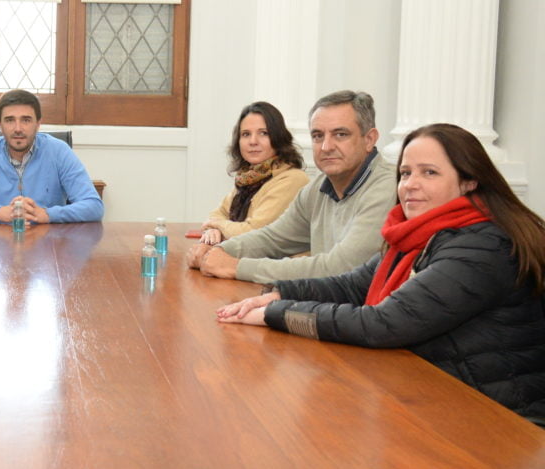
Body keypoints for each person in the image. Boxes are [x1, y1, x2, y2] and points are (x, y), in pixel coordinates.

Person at [216, 123, 545, 420]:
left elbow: (384, 323)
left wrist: (278, 313)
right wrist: (280, 293)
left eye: (429, 173)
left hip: (499, 420)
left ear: (469, 181)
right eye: (405, 173)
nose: (410, 185)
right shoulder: (416, 235)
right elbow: (353, 285)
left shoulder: (483, 247)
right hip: (438, 399)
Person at [186, 90, 395, 283]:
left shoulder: (386, 187)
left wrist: (237, 266)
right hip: (326, 306)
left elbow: (339, 268)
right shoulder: (319, 187)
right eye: (318, 136)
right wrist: (217, 252)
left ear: (369, 139)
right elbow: (273, 238)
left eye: (340, 134)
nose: (326, 146)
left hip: (362, 315)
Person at [0, 90, 103, 224]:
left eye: (26, 120)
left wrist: (47, 214)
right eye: (10, 120)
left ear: (38, 123)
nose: (18, 128)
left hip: (47, 246)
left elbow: (93, 206)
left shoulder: (59, 151)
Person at [199, 101, 310, 245]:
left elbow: (253, 233)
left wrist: (218, 226)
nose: (253, 141)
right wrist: (213, 229)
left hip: (279, 265)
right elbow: (218, 214)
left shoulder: (292, 179)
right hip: (246, 260)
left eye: (263, 133)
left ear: (278, 138)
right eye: (245, 134)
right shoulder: (249, 178)